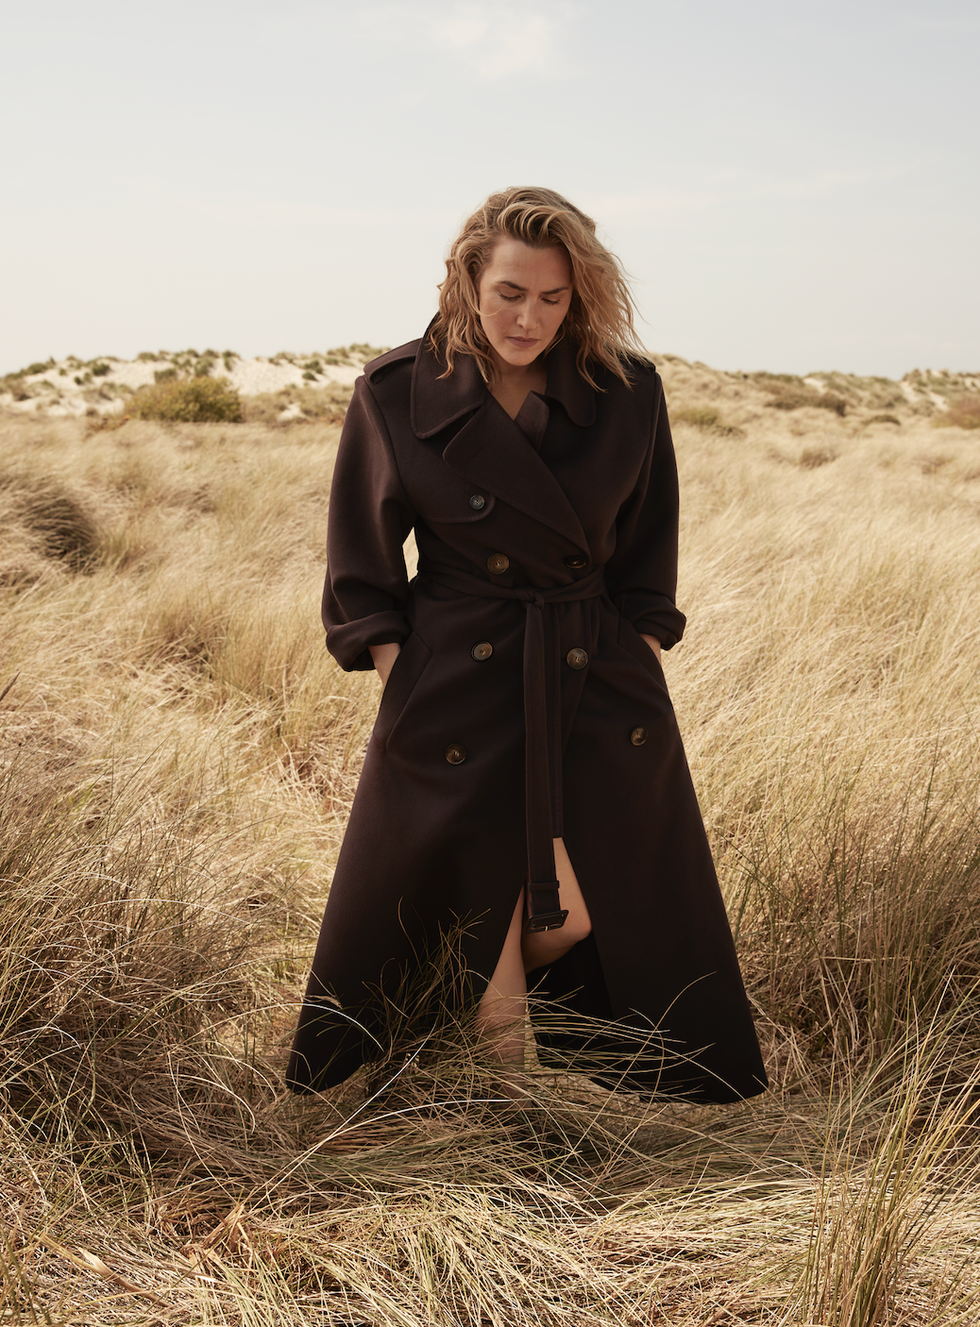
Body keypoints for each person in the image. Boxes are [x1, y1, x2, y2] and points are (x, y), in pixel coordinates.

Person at [287, 186, 767, 1103]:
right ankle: (501, 1103)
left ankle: (633, 1089)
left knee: (585, 909)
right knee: (473, 886)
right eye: (510, 292)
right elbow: (361, 566)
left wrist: (637, 659)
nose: (529, 317)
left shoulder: (627, 394)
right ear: (469, 278)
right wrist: (404, 680)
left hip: (594, 674)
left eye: (552, 298)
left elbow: (647, 555)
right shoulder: (396, 392)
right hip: (455, 680)